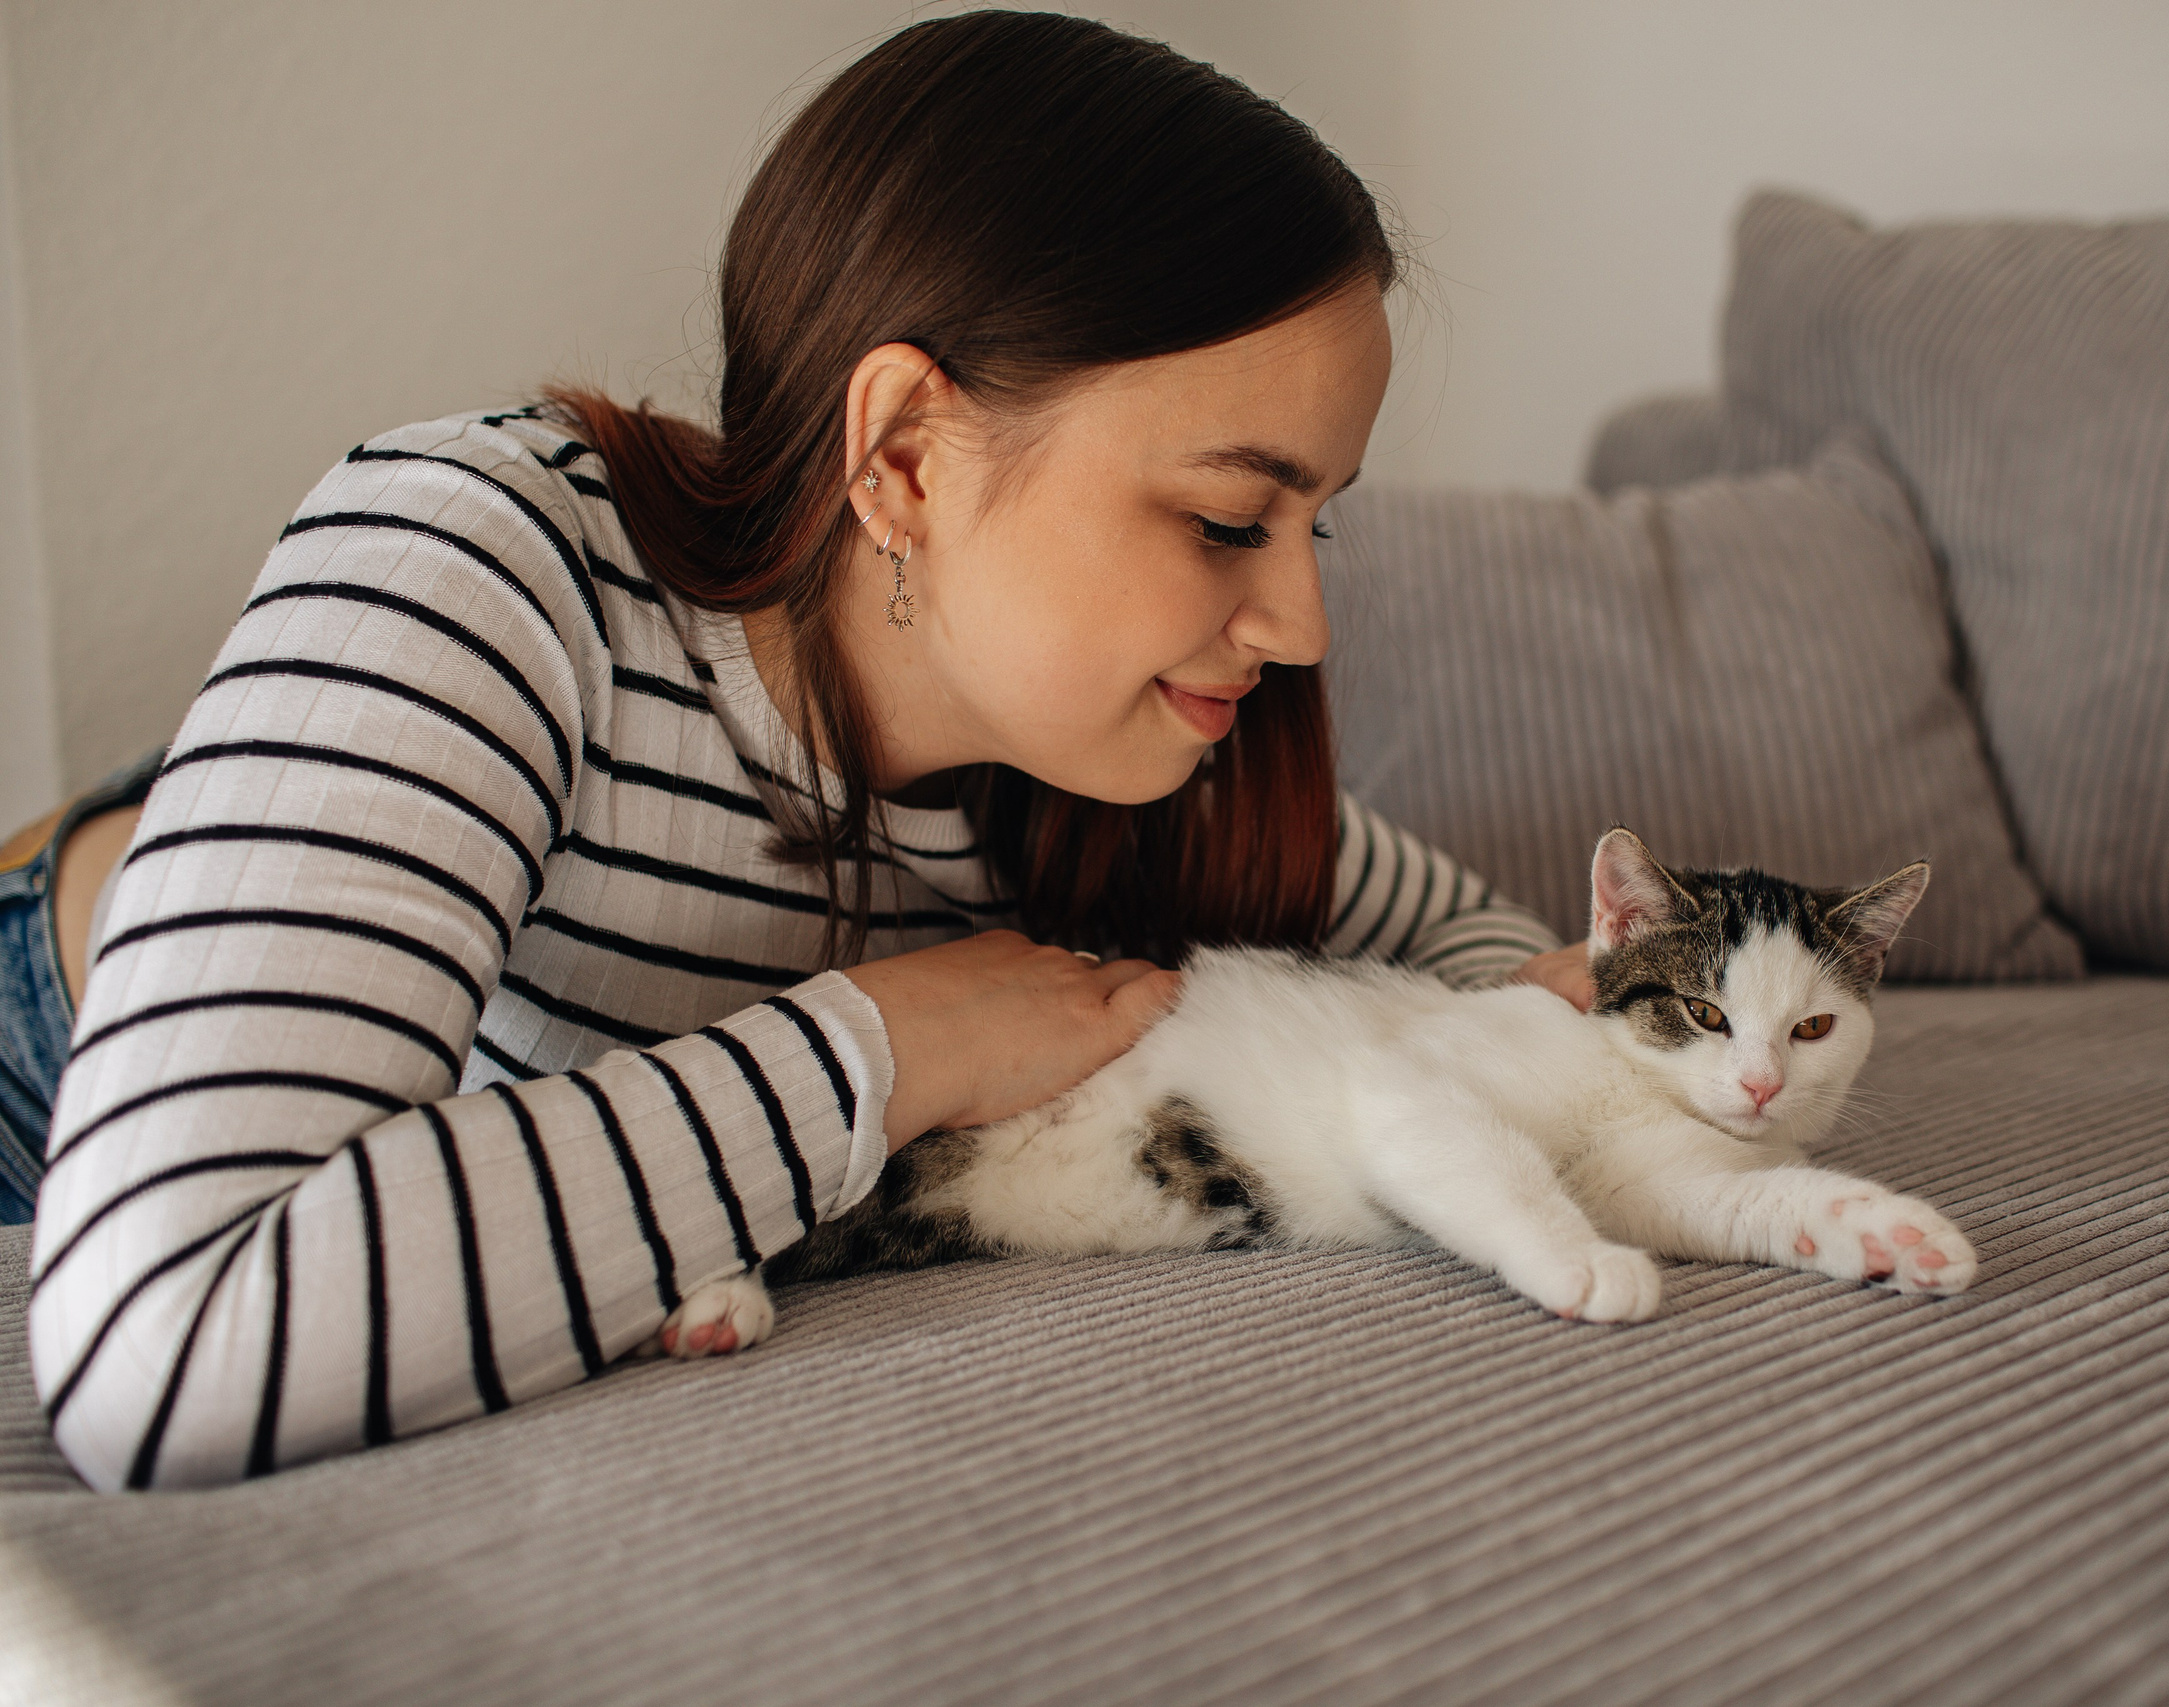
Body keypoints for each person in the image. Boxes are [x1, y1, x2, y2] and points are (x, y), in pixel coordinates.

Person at [12, 10, 1587, 1493]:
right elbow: (171, 1330)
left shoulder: (1146, 753)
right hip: (75, 1036)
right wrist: (891, 1051)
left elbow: (1481, 950)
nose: (1304, 623)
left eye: (1321, 521)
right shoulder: (477, 560)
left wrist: (1528, 1049)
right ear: (904, 453)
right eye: (1230, 518)